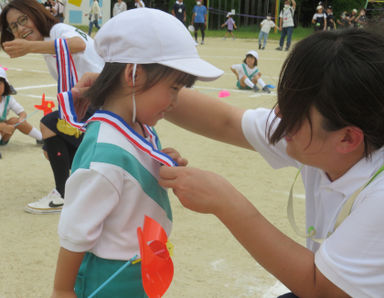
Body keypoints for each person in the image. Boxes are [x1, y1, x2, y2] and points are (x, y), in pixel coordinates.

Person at [154, 28, 384, 297]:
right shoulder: (325, 140)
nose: (278, 114)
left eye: (295, 111)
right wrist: (126, 91)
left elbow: (322, 288)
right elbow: (225, 121)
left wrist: (226, 202)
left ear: (347, 139)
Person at [51, 8, 222, 297]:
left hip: (139, 268)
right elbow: (75, 231)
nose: (175, 101)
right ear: (133, 73)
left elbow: (130, 180)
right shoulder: (103, 154)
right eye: (174, 88)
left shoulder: (138, 126)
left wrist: (161, 163)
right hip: (110, 280)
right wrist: (62, 291)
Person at [0, 0, 104, 214]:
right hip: (97, 103)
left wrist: (29, 47)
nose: (21, 29)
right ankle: (83, 186)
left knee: (49, 124)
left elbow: (78, 45)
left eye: (23, 20)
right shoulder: (51, 43)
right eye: (14, 26)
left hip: (106, 104)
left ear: (36, 14)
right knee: (54, 143)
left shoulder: (59, 30)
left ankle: (63, 194)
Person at [0, 67, 42, 145]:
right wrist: (3, 127)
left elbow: (22, 113)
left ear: (5, 85)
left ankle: (42, 138)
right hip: (2, 129)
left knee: (14, 120)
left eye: (0, 83)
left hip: (3, 133)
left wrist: (21, 119)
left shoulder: (8, 99)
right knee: (3, 125)